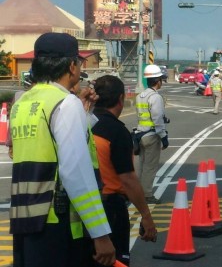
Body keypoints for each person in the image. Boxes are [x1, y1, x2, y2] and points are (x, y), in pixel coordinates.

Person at [10, 32, 115, 267]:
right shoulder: (65, 103)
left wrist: (83, 112)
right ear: (71, 66)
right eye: (78, 62)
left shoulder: (23, 103)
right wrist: (100, 233)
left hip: (27, 219)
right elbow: (76, 172)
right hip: (60, 222)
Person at [92, 75, 158, 266]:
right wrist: (146, 216)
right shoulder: (116, 131)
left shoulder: (84, 122)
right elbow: (128, 178)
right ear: (121, 99)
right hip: (110, 208)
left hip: (84, 208)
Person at [135, 64, 169, 204]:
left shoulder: (140, 96)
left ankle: (137, 192)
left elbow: (145, 115)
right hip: (152, 135)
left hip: (140, 134)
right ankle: (147, 194)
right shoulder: (155, 97)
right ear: (157, 80)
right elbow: (157, 119)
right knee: (150, 167)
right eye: (161, 79)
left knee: (141, 165)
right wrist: (164, 137)